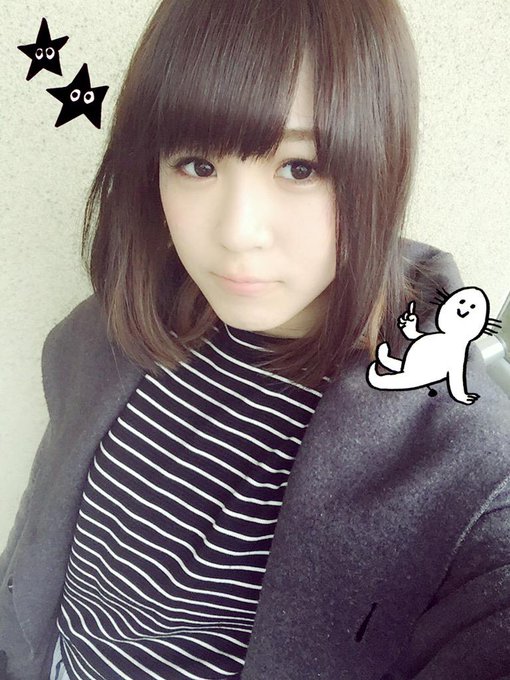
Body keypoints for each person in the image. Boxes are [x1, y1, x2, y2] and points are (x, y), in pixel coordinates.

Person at [1, 1, 510, 679]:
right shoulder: (108, 330)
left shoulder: (466, 464)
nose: (237, 232)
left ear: (382, 165)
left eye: (301, 168)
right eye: (196, 164)